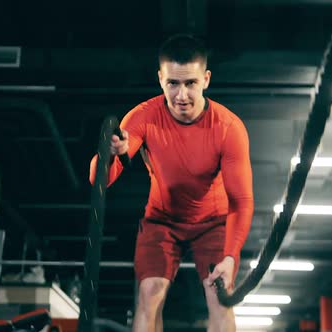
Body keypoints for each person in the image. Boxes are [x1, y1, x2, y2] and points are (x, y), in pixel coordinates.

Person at [89, 34, 254, 332]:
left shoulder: (229, 128)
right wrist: (114, 154)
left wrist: (231, 257)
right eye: (173, 84)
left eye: (190, 83)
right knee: (149, 293)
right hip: (161, 220)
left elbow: (241, 201)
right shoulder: (143, 116)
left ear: (205, 79)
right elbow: (98, 180)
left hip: (214, 222)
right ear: (160, 79)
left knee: (220, 297)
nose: (181, 95)